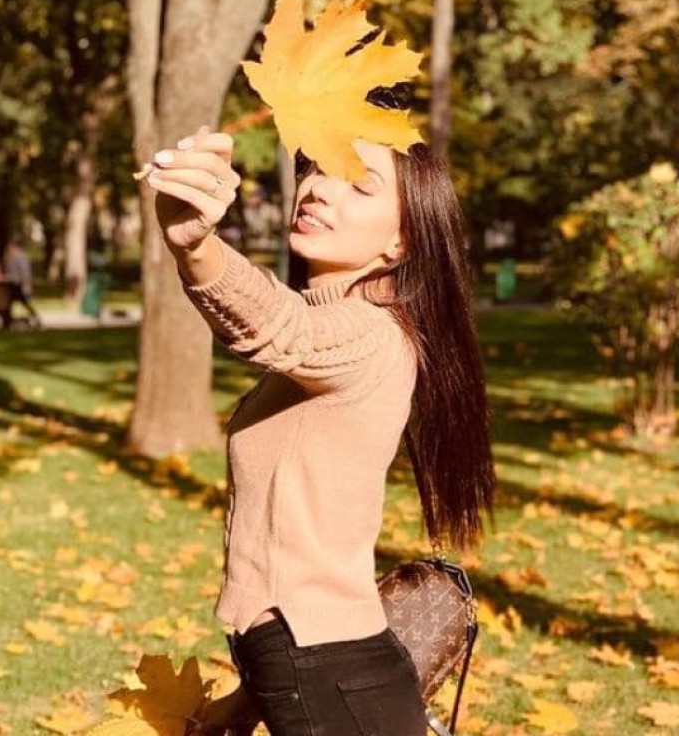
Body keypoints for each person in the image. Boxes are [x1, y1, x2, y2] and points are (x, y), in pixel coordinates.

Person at [147, 119, 494, 736]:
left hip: (331, 668)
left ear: (399, 244)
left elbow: (278, 326)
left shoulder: (371, 335)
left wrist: (198, 250)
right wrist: (244, 703)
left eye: (360, 186)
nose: (320, 190)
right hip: (318, 663)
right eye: (316, 169)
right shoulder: (332, 338)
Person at [3, 236, 41, 329]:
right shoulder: (10, 257)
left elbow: (25, 272)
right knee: (10, 303)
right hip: (13, 286)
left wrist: (27, 285)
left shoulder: (21, 257)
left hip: (20, 286)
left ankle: (35, 318)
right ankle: (7, 320)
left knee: (25, 302)